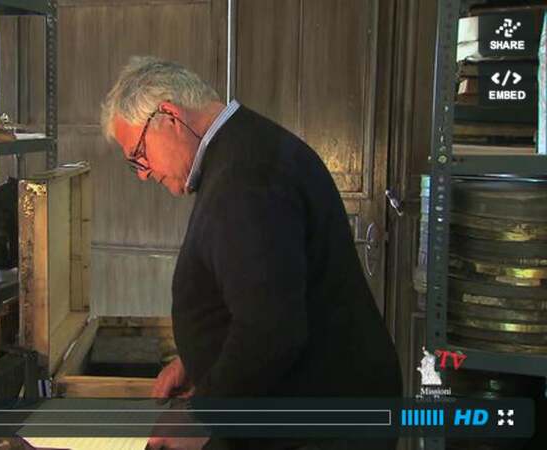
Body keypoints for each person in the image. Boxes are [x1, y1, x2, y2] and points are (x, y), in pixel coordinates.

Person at [100, 56, 402, 450]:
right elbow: (258, 290)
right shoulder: (243, 150)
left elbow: (270, 329)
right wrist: (196, 362)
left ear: (170, 117)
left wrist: (201, 417)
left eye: (139, 154)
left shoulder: (245, 179)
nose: (143, 172)